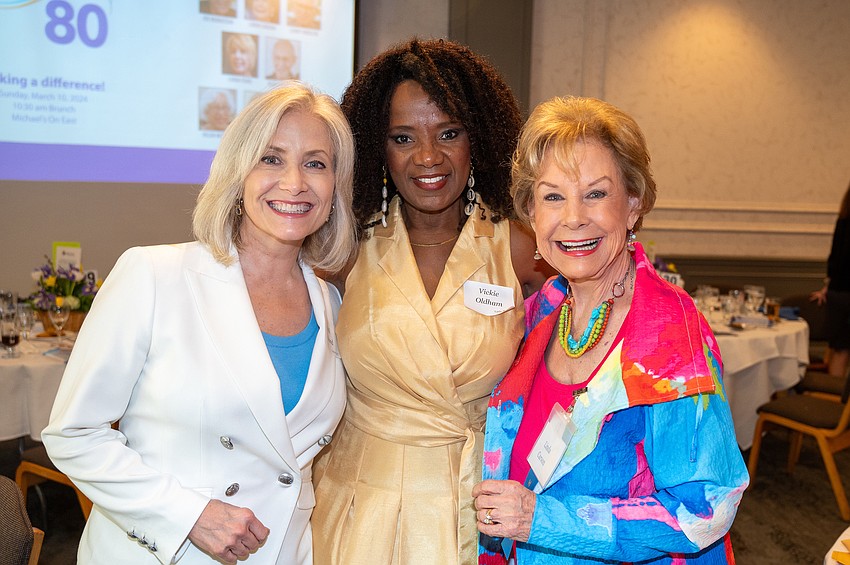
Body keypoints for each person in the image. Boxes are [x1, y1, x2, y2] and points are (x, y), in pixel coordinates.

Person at [41, 83, 358, 564]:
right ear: (236, 173)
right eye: (271, 159)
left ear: (335, 184)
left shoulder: (331, 304)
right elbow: (74, 434)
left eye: (316, 163)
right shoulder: (153, 275)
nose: (295, 182)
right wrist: (188, 515)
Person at [472, 96, 748, 564]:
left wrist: (541, 519)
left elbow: (707, 506)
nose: (574, 217)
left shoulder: (671, 338)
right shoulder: (540, 312)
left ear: (633, 204)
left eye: (596, 194)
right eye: (553, 196)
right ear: (532, 214)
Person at [311, 38, 551, 565]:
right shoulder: (343, 250)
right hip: (359, 508)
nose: (427, 157)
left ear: (478, 140)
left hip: (477, 507)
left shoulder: (517, 246)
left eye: (449, 132)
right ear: (378, 148)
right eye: (403, 137)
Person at [811, 180, 850, 379]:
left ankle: (835, 401)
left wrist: (828, 286)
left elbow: (834, 259)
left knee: (838, 350)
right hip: (846, 296)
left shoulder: (843, 218)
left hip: (837, 292)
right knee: (843, 351)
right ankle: (837, 403)